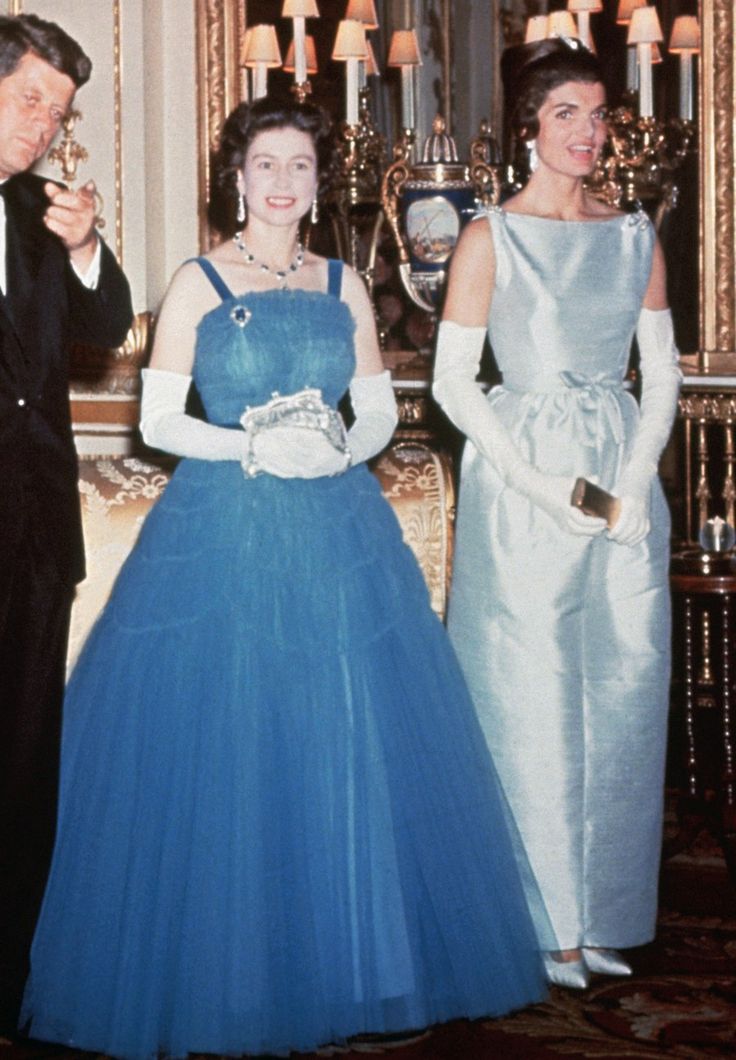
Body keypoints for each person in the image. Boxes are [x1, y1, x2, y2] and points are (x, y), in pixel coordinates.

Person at [21, 96, 550, 1058]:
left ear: (316, 182)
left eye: (299, 166)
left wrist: (340, 448)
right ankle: (229, 974)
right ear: (236, 177)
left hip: (334, 530)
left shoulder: (346, 281)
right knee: (229, 742)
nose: (281, 182)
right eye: (265, 164)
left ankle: (356, 963)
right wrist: (257, 442)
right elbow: (160, 423)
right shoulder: (196, 281)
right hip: (222, 527)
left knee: (341, 733)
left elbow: (385, 409)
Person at [433, 37, 681, 990]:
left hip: (621, 482)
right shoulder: (490, 234)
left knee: (624, 686)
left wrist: (630, 479)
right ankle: (545, 922)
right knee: (532, 699)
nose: (588, 131)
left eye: (598, 112)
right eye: (566, 113)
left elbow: (656, 373)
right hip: (525, 481)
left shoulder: (633, 235)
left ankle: (605, 910)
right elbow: (455, 385)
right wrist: (545, 488)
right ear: (530, 129)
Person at [0, 13, 133, 1035]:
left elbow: (101, 333)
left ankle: (9, 983)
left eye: (60, 110)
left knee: (22, 766)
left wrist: (88, 246)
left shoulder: (42, 214)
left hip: (38, 533)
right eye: (30, 97)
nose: (47, 126)